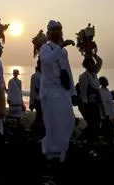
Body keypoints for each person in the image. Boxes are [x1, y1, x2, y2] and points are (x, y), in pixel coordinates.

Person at [39, 20, 77, 165]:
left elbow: (67, 71)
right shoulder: (45, 48)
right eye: (54, 30)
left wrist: (73, 93)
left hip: (63, 92)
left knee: (67, 121)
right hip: (50, 92)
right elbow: (47, 60)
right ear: (49, 33)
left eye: (59, 29)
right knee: (53, 123)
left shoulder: (63, 51)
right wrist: (60, 47)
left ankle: (62, 150)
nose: (57, 32)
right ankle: (50, 153)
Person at [77, 53, 104, 143]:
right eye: (90, 64)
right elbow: (83, 93)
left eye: (93, 63)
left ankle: (85, 141)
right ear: (86, 66)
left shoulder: (94, 74)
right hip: (87, 104)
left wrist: (92, 53)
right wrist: (85, 108)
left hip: (95, 104)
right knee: (93, 125)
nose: (93, 65)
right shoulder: (84, 77)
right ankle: (83, 141)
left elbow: (100, 61)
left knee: (96, 125)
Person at [99, 76, 114, 140]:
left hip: (111, 113)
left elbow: (109, 100)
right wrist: (105, 114)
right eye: (105, 80)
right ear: (102, 82)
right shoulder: (101, 91)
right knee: (109, 131)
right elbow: (103, 104)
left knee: (110, 130)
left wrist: (113, 94)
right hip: (108, 114)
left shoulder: (106, 90)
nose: (107, 81)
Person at [29, 60, 44, 137]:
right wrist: (31, 103)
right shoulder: (35, 76)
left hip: (43, 100)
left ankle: (35, 131)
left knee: (40, 117)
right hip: (37, 100)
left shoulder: (44, 75)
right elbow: (32, 90)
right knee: (40, 117)